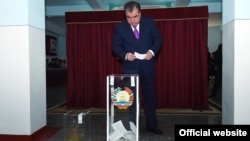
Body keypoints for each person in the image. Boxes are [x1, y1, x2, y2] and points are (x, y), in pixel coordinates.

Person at [112, 1, 163, 135]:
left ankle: (152, 126)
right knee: (132, 101)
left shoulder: (150, 22)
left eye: (135, 16)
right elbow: (115, 47)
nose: (132, 20)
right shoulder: (120, 27)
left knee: (150, 98)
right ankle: (134, 128)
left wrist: (151, 52)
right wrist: (126, 55)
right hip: (130, 69)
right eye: (129, 17)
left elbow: (158, 40)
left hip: (147, 67)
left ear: (140, 13)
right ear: (125, 16)